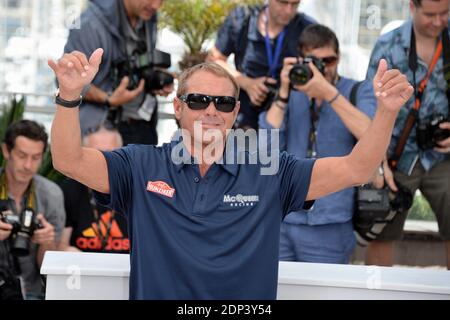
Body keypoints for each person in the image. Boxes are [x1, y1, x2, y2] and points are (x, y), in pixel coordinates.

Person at [48, 48, 413, 299]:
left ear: (235, 111)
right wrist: (69, 96)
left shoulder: (271, 170)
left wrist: (386, 112)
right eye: (198, 101)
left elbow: (357, 167)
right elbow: (68, 160)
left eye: (223, 102)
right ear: (177, 107)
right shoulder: (139, 165)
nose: (211, 111)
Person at [259, 24, 378, 264]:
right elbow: (265, 145)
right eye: (315, 61)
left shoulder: (357, 90)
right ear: (302, 60)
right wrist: (283, 92)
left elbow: (371, 137)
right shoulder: (293, 92)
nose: (323, 68)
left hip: (330, 224)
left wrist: (329, 94)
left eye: (329, 60)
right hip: (282, 219)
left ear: (339, 58)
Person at [366, 0, 450, 269]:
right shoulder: (387, 46)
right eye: (430, 15)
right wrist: (377, 161)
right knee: (381, 233)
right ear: (412, 8)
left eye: (445, 13)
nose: (438, 21)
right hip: (396, 157)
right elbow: (369, 105)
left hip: (442, 157)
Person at [63, 0, 173, 145]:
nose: (156, 6)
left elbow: (138, 62)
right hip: (103, 132)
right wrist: (108, 98)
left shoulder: (148, 14)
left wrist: (155, 78)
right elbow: (68, 80)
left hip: (144, 126)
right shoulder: (89, 24)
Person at [207, 0, 315, 130]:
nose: (288, 10)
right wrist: (247, 83)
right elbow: (213, 60)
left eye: (295, 4)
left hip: (290, 114)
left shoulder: (307, 28)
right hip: (245, 112)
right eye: (283, 3)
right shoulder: (242, 19)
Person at [0, 120, 65, 300]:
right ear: (6, 151)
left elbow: (50, 267)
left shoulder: (51, 194)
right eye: (22, 155)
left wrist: (47, 241)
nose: (28, 165)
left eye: (36, 158)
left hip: (33, 291)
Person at [59, 126, 129, 253]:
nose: (105, 160)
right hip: (81, 269)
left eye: (111, 154)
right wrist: (67, 251)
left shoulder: (137, 190)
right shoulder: (69, 190)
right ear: (83, 156)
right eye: (98, 154)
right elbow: (61, 245)